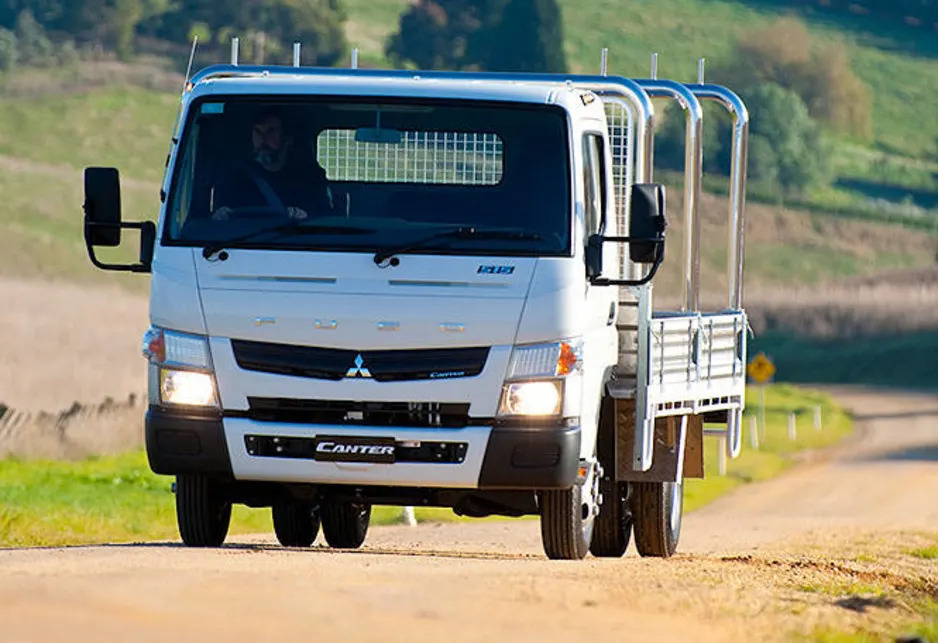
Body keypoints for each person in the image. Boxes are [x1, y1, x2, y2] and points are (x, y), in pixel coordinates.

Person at [212, 109, 331, 221]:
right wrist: (221, 214)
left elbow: (324, 219)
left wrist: (305, 216)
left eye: (271, 131)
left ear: (287, 139)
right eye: (258, 132)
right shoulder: (236, 177)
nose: (262, 139)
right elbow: (220, 211)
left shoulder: (309, 179)